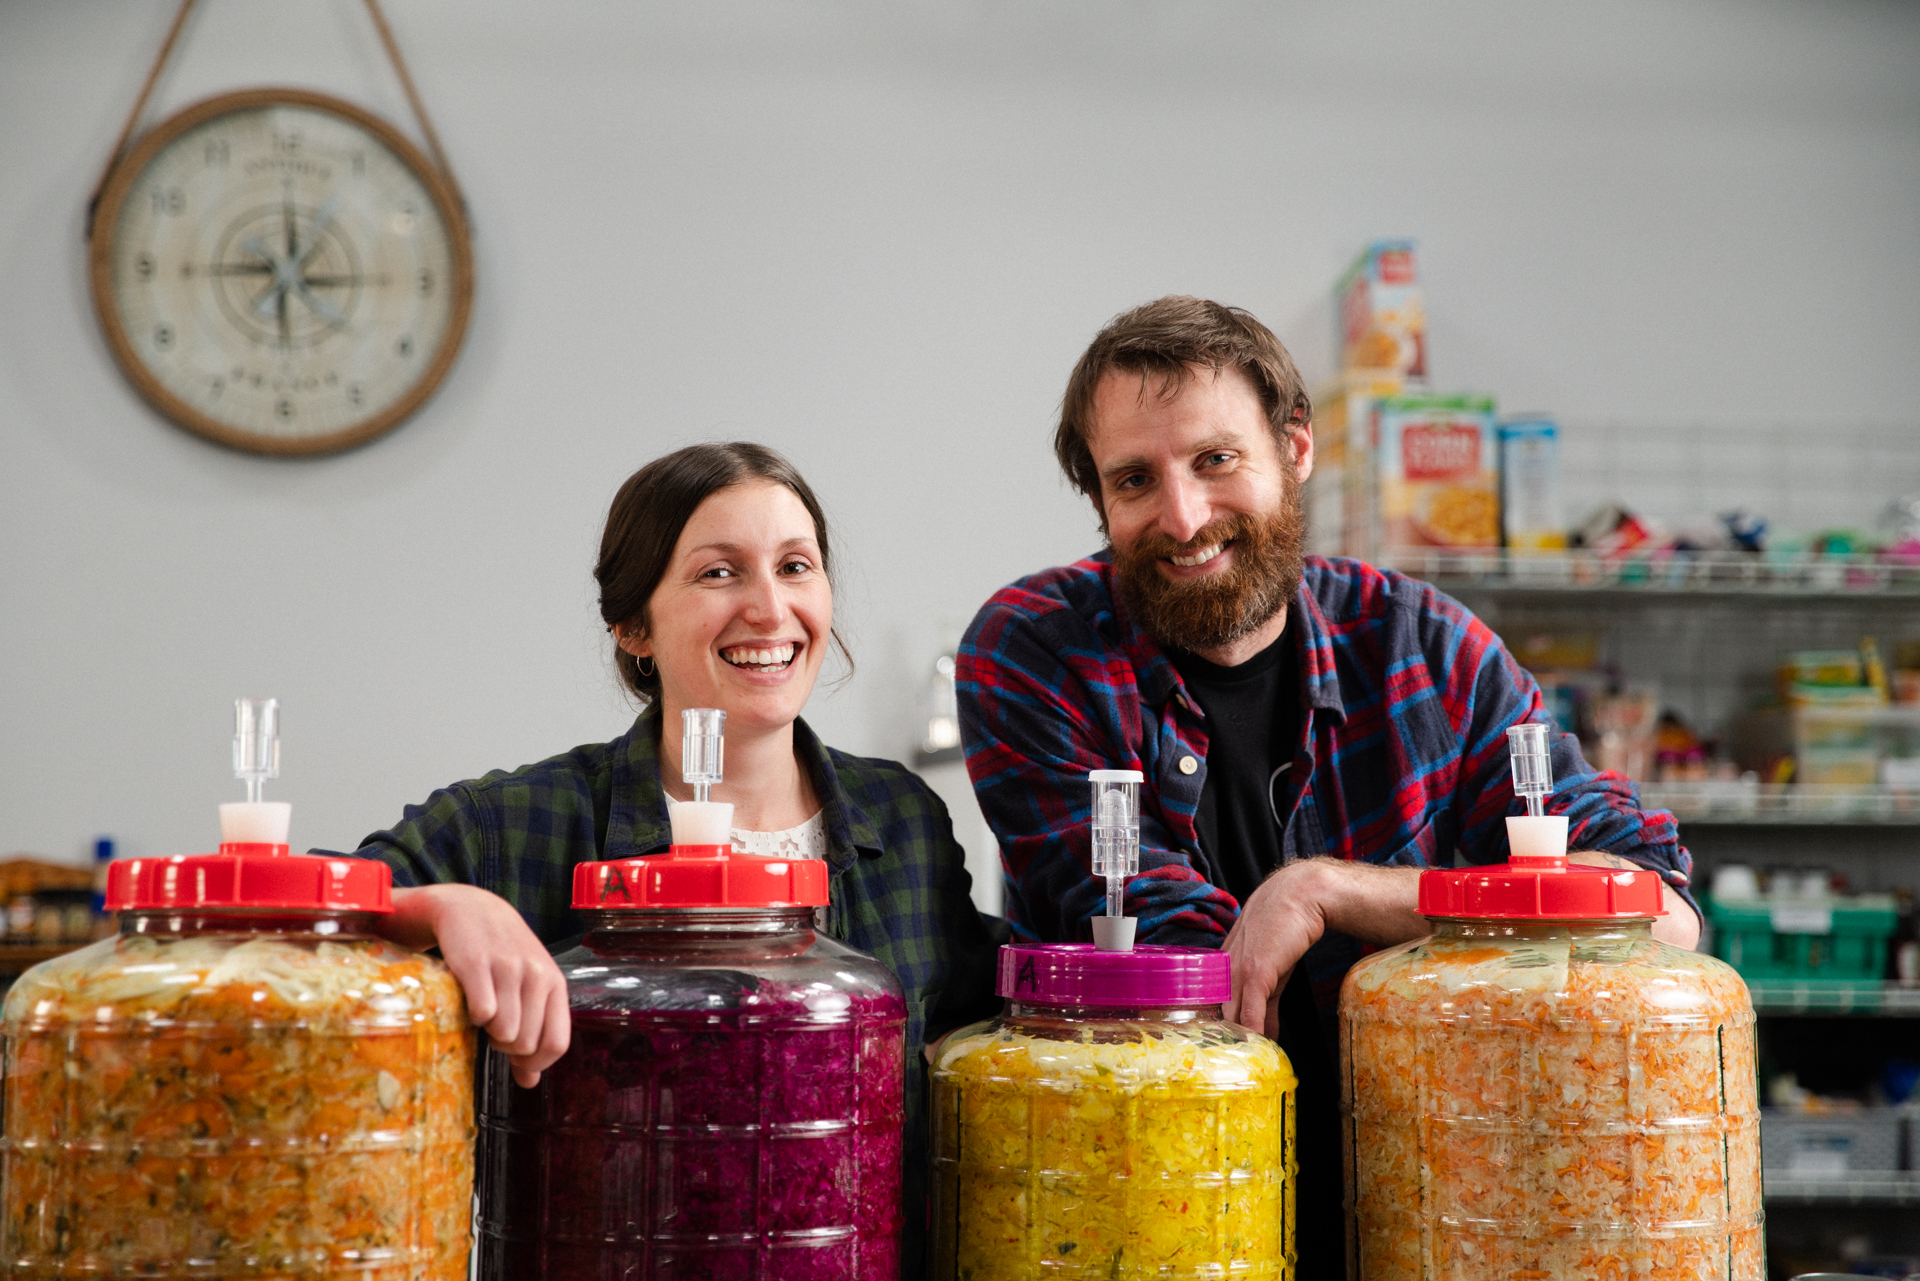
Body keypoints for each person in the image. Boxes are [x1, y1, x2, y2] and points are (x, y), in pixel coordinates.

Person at [954, 296, 1701, 1277]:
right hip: (1153, 1210)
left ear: (1295, 449)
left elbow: (1656, 911)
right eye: (1136, 479)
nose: (1182, 518)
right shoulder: (1035, 651)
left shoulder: (1422, 647)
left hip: (1442, 1208)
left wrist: (1333, 892)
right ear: (1100, 500)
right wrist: (1467, 920)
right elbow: (1191, 976)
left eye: (1215, 460)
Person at [334, 441, 997, 1278]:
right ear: (632, 624)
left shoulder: (901, 818)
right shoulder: (524, 822)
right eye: (719, 573)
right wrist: (439, 906)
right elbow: (319, 905)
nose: (769, 607)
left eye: (796, 566)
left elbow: (982, 1009)